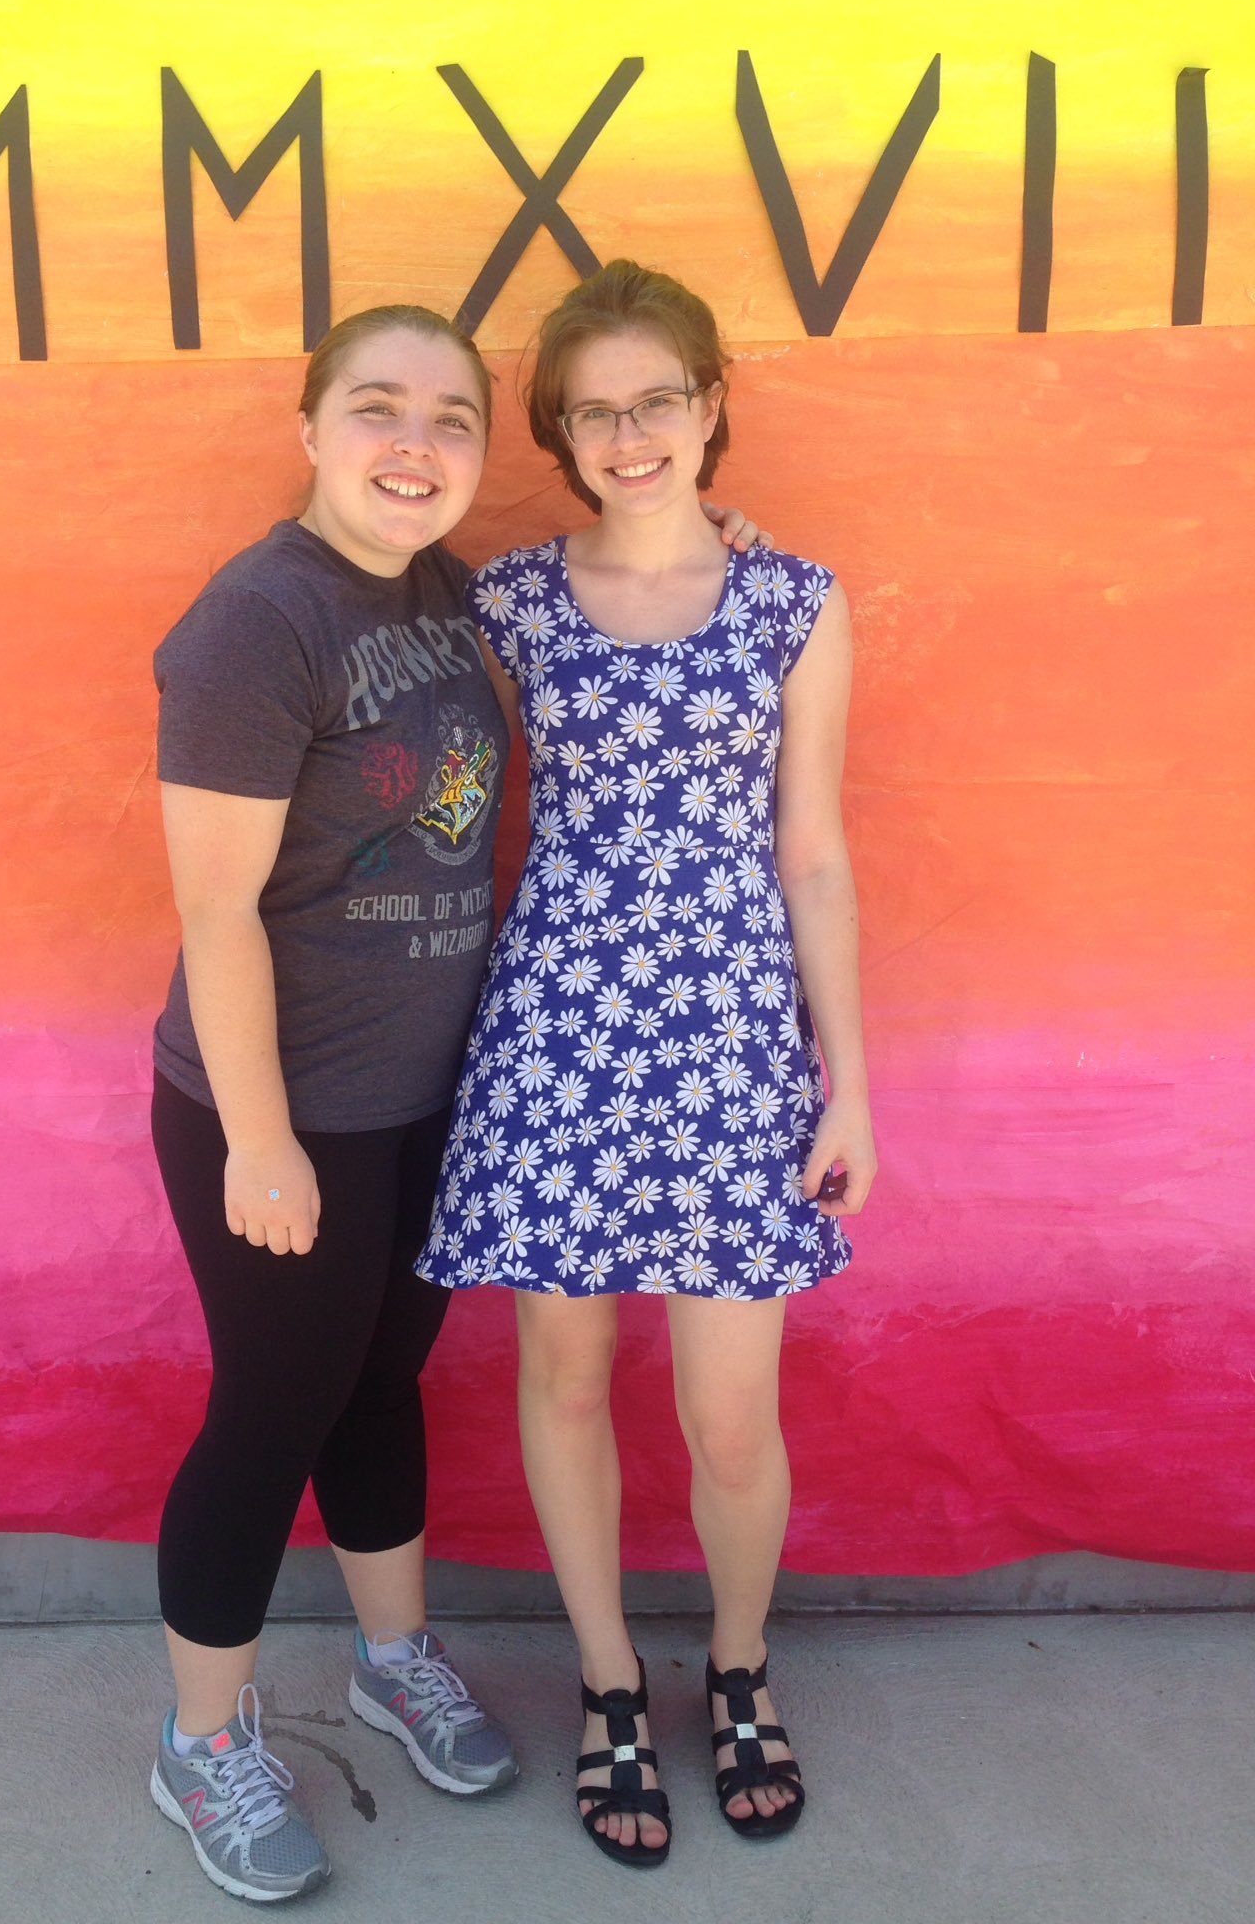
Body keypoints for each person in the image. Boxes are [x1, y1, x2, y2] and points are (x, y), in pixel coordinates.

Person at [146, 299, 764, 1901]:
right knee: (273, 1410)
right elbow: (214, 910)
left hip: (428, 1096)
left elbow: (640, 580)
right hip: (286, 1111)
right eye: (378, 408)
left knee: (379, 1389)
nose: (413, 445)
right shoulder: (255, 624)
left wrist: (719, 535)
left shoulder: (434, 589)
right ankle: (203, 1742)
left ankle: (394, 1659)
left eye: (449, 419)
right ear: (309, 427)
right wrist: (261, 1137)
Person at [415, 262, 877, 1867]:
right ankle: (610, 1681)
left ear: (709, 403)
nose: (629, 435)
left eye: (656, 400)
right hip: (559, 1035)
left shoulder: (796, 602)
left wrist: (849, 1082)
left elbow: (813, 853)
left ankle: (739, 1667)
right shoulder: (509, 603)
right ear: (561, 432)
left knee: (729, 1417)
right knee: (562, 1374)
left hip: (733, 1045)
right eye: (594, 411)